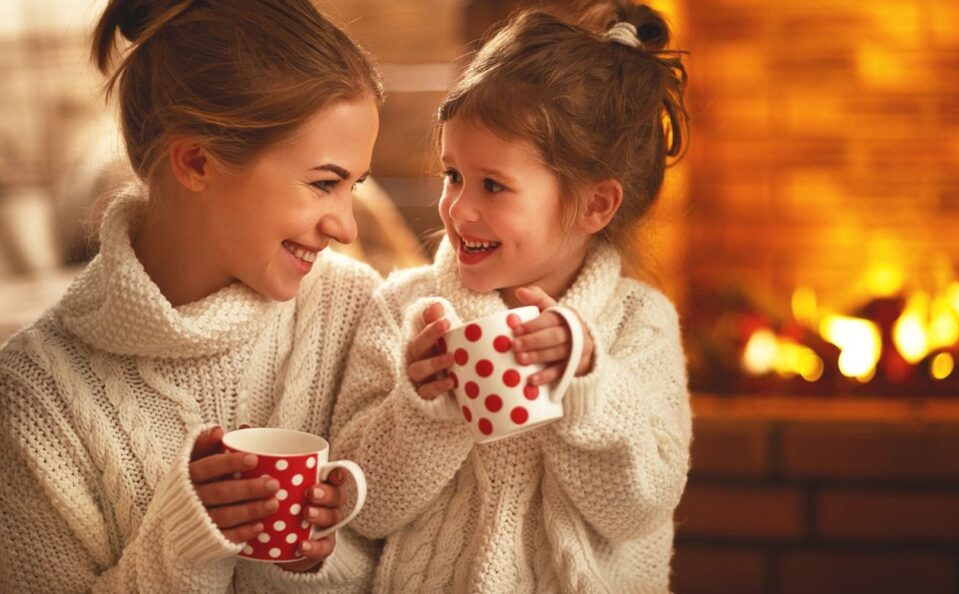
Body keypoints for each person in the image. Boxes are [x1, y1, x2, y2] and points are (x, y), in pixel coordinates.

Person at [0, 0, 386, 591]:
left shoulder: (355, 310)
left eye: (353, 187)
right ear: (197, 160)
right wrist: (183, 547)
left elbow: (417, 557)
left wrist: (317, 557)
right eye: (324, 184)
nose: (346, 227)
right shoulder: (34, 392)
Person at [330, 1, 692, 591]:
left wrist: (582, 383)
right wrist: (425, 410)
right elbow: (360, 508)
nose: (457, 208)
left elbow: (638, 508)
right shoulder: (405, 312)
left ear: (596, 205)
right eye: (453, 175)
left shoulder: (638, 325)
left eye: (493, 185)